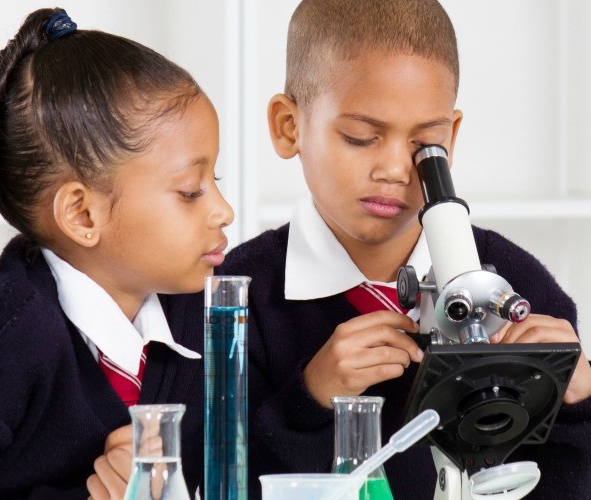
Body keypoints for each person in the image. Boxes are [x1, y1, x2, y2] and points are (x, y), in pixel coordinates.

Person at [94, 0, 591, 498]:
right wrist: (311, 398)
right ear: (289, 126)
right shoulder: (230, 301)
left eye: (425, 144)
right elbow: (203, 480)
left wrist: (577, 404)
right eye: (360, 138)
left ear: (452, 136)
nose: (395, 169)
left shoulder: (513, 280)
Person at [0, 7, 233, 500]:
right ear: (82, 215)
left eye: (216, 182)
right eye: (189, 191)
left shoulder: (198, 316)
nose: (224, 211)